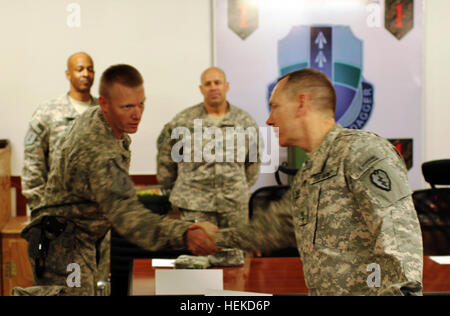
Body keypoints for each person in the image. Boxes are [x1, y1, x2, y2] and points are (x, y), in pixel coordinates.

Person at [215, 68, 424, 296]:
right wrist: (209, 237)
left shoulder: (361, 152)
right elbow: (271, 230)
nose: (269, 119)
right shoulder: (309, 173)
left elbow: (401, 249)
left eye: (275, 106)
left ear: (301, 103)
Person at [20, 64, 218, 296]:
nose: (137, 114)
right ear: (104, 103)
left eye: (141, 103)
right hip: (65, 245)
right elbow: (129, 218)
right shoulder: (98, 150)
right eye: (127, 107)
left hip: (90, 235)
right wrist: (186, 233)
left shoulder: (104, 121)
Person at [157, 67, 260, 229]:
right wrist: (180, 190)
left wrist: (235, 188)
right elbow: (166, 161)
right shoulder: (182, 121)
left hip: (234, 206)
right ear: (201, 89)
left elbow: (253, 162)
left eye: (217, 82)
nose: (213, 87)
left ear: (226, 86)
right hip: (195, 206)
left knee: (236, 252)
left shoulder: (245, 122)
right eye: (208, 83)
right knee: (199, 252)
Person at [22, 52, 97, 211]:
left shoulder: (105, 113)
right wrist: (40, 209)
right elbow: (32, 165)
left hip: (98, 215)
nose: (86, 74)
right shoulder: (47, 112)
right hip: (57, 213)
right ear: (68, 75)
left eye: (90, 69)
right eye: (80, 69)